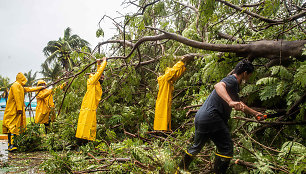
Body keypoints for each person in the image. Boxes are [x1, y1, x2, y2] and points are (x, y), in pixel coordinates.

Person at [177, 59, 264, 174]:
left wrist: (255, 113)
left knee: (196, 147)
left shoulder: (233, 86)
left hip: (201, 117)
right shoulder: (232, 80)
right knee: (226, 148)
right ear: (245, 73)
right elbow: (218, 85)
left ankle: (179, 170)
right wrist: (230, 102)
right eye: (249, 75)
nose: (248, 78)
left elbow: (240, 104)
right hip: (213, 118)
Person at [2, 72, 44, 152]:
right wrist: (19, 109)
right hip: (13, 110)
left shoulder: (20, 86)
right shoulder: (15, 85)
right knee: (12, 127)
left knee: (16, 127)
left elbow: (28, 89)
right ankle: (11, 145)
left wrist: (39, 88)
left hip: (16, 110)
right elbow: (17, 97)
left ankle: (13, 144)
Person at [154, 56, 193, 131]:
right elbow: (172, 72)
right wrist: (181, 62)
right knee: (163, 114)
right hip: (163, 100)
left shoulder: (168, 80)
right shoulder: (164, 79)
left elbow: (175, 75)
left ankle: (165, 129)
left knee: (165, 114)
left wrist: (183, 66)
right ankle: (162, 129)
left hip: (165, 100)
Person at [75, 57, 107, 141]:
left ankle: (87, 142)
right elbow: (99, 73)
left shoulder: (96, 83)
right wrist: (104, 61)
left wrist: (98, 64)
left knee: (90, 125)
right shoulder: (93, 81)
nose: (102, 79)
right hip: (88, 106)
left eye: (103, 78)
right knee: (86, 124)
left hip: (92, 107)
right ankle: (82, 142)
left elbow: (98, 73)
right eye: (101, 77)